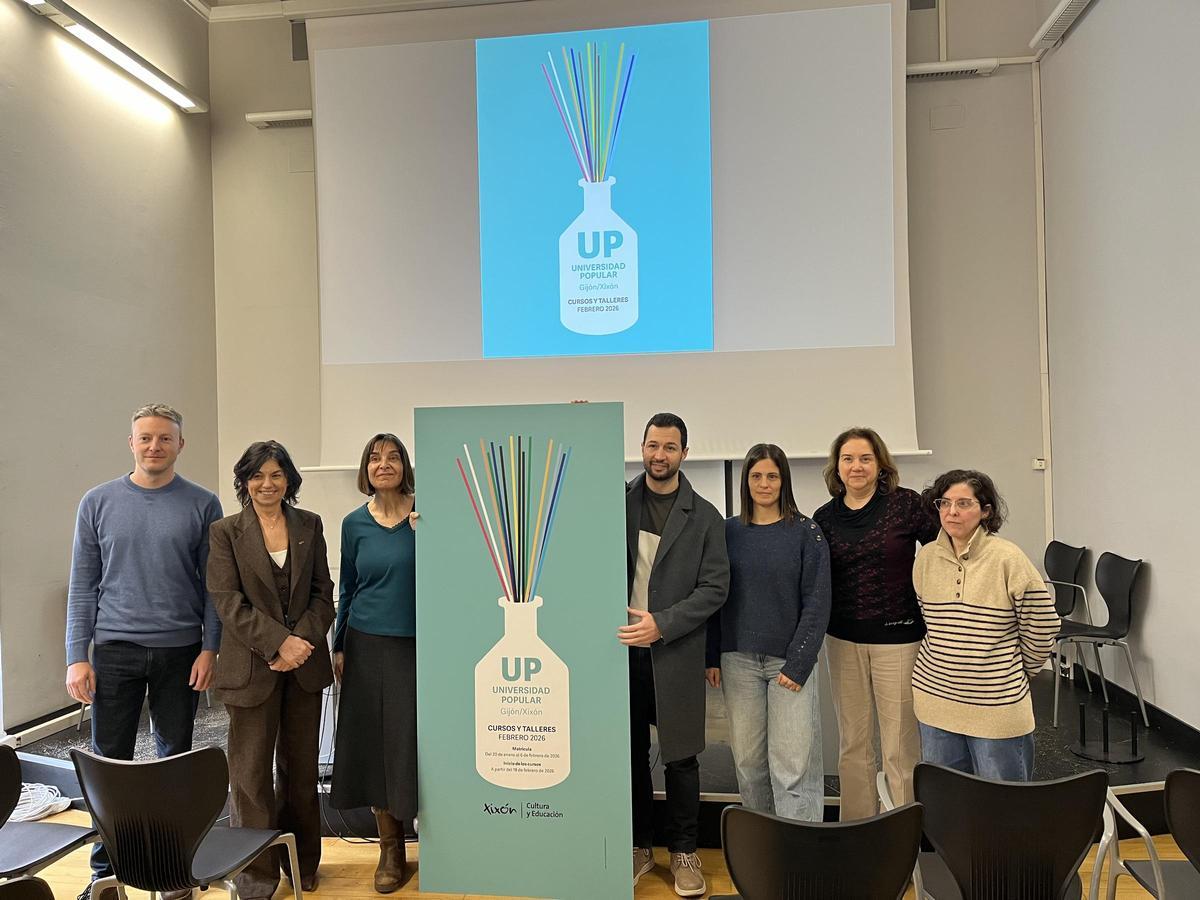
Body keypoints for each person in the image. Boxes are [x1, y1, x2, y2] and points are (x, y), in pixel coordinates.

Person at [65, 403, 223, 900]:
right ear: (131, 443)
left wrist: (210, 648)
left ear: (181, 444)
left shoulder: (203, 504)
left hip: (181, 651)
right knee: (110, 762)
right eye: (145, 438)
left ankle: (170, 869)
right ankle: (104, 872)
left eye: (164, 438)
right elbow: (83, 584)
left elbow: (212, 588)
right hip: (114, 651)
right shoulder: (97, 502)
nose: (154, 446)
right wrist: (77, 654)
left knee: (174, 761)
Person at [207, 441, 334, 899]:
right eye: (258, 475)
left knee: (300, 774)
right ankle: (256, 878)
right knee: (250, 777)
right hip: (251, 669)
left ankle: (303, 865)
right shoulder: (225, 532)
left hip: (305, 668)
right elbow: (227, 601)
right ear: (244, 481)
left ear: (289, 481)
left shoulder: (310, 525)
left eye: (277, 474)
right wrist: (279, 643)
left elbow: (324, 593)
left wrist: (300, 644)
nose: (267, 483)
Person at [622, 412, 729, 898]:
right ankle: (639, 845)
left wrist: (661, 623)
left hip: (674, 650)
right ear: (641, 448)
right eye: (651, 445)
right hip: (620, 652)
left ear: (684, 452)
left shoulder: (704, 515)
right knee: (627, 755)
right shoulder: (615, 502)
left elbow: (715, 589)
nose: (658, 455)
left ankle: (684, 851)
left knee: (682, 758)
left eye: (669, 447)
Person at [812, 427, 938, 819]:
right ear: (837, 467)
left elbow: (944, 550)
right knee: (853, 742)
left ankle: (903, 836)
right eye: (847, 459)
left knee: (900, 744)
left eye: (865, 458)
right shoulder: (825, 517)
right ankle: (859, 829)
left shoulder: (907, 506)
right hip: (843, 640)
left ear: (881, 464)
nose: (856, 466)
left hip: (899, 640)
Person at [705, 444, 831, 822]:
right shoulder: (727, 532)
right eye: (756, 476)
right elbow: (714, 596)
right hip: (738, 661)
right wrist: (712, 656)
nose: (764, 483)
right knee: (748, 763)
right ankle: (763, 850)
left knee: (792, 767)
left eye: (772, 476)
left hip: (788, 664)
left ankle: (801, 851)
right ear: (746, 481)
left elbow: (818, 601)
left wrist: (799, 662)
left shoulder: (807, 532)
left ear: (783, 481)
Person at [912, 469, 1059, 781]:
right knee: (948, 806)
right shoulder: (925, 558)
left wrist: (1015, 671)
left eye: (964, 503)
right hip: (936, 704)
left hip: (997, 708)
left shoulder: (1008, 558)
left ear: (985, 510)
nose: (952, 511)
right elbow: (932, 623)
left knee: (1003, 811)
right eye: (945, 502)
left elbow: (1043, 624)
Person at [330, 434, 418, 893]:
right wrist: (339, 644)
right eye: (374, 458)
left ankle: (437, 836)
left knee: (410, 743)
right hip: (366, 644)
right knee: (377, 747)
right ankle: (390, 847)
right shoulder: (353, 524)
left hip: (420, 646)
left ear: (406, 465)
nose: (384, 465)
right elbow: (348, 585)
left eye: (393, 457)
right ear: (365, 469)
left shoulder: (429, 515)